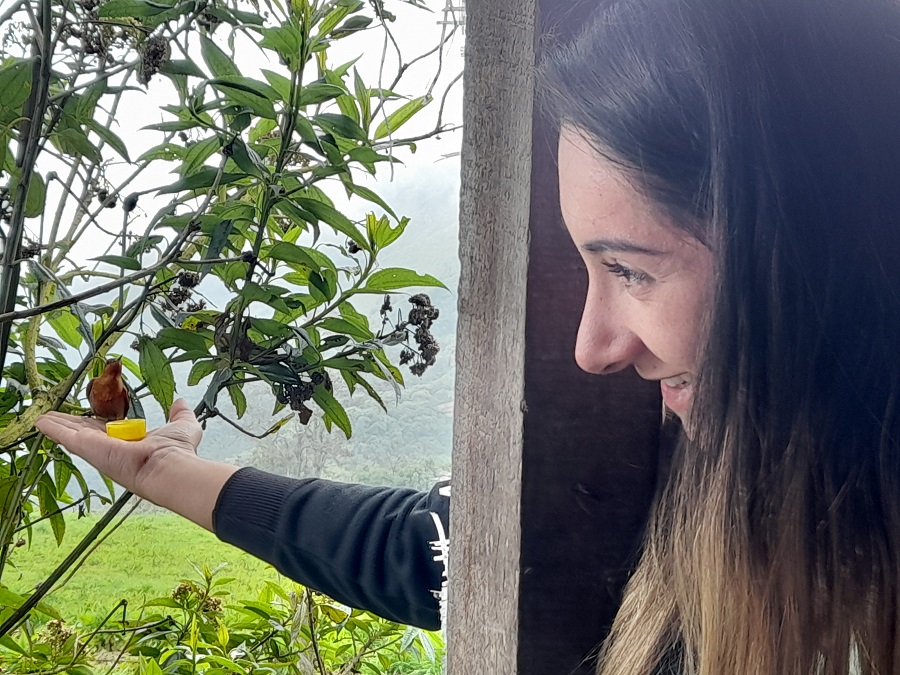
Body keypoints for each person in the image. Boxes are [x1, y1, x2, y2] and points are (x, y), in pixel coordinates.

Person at [36, 0, 900, 672]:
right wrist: (162, 469)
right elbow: (447, 551)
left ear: (821, 246)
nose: (593, 348)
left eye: (630, 269)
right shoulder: (719, 496)